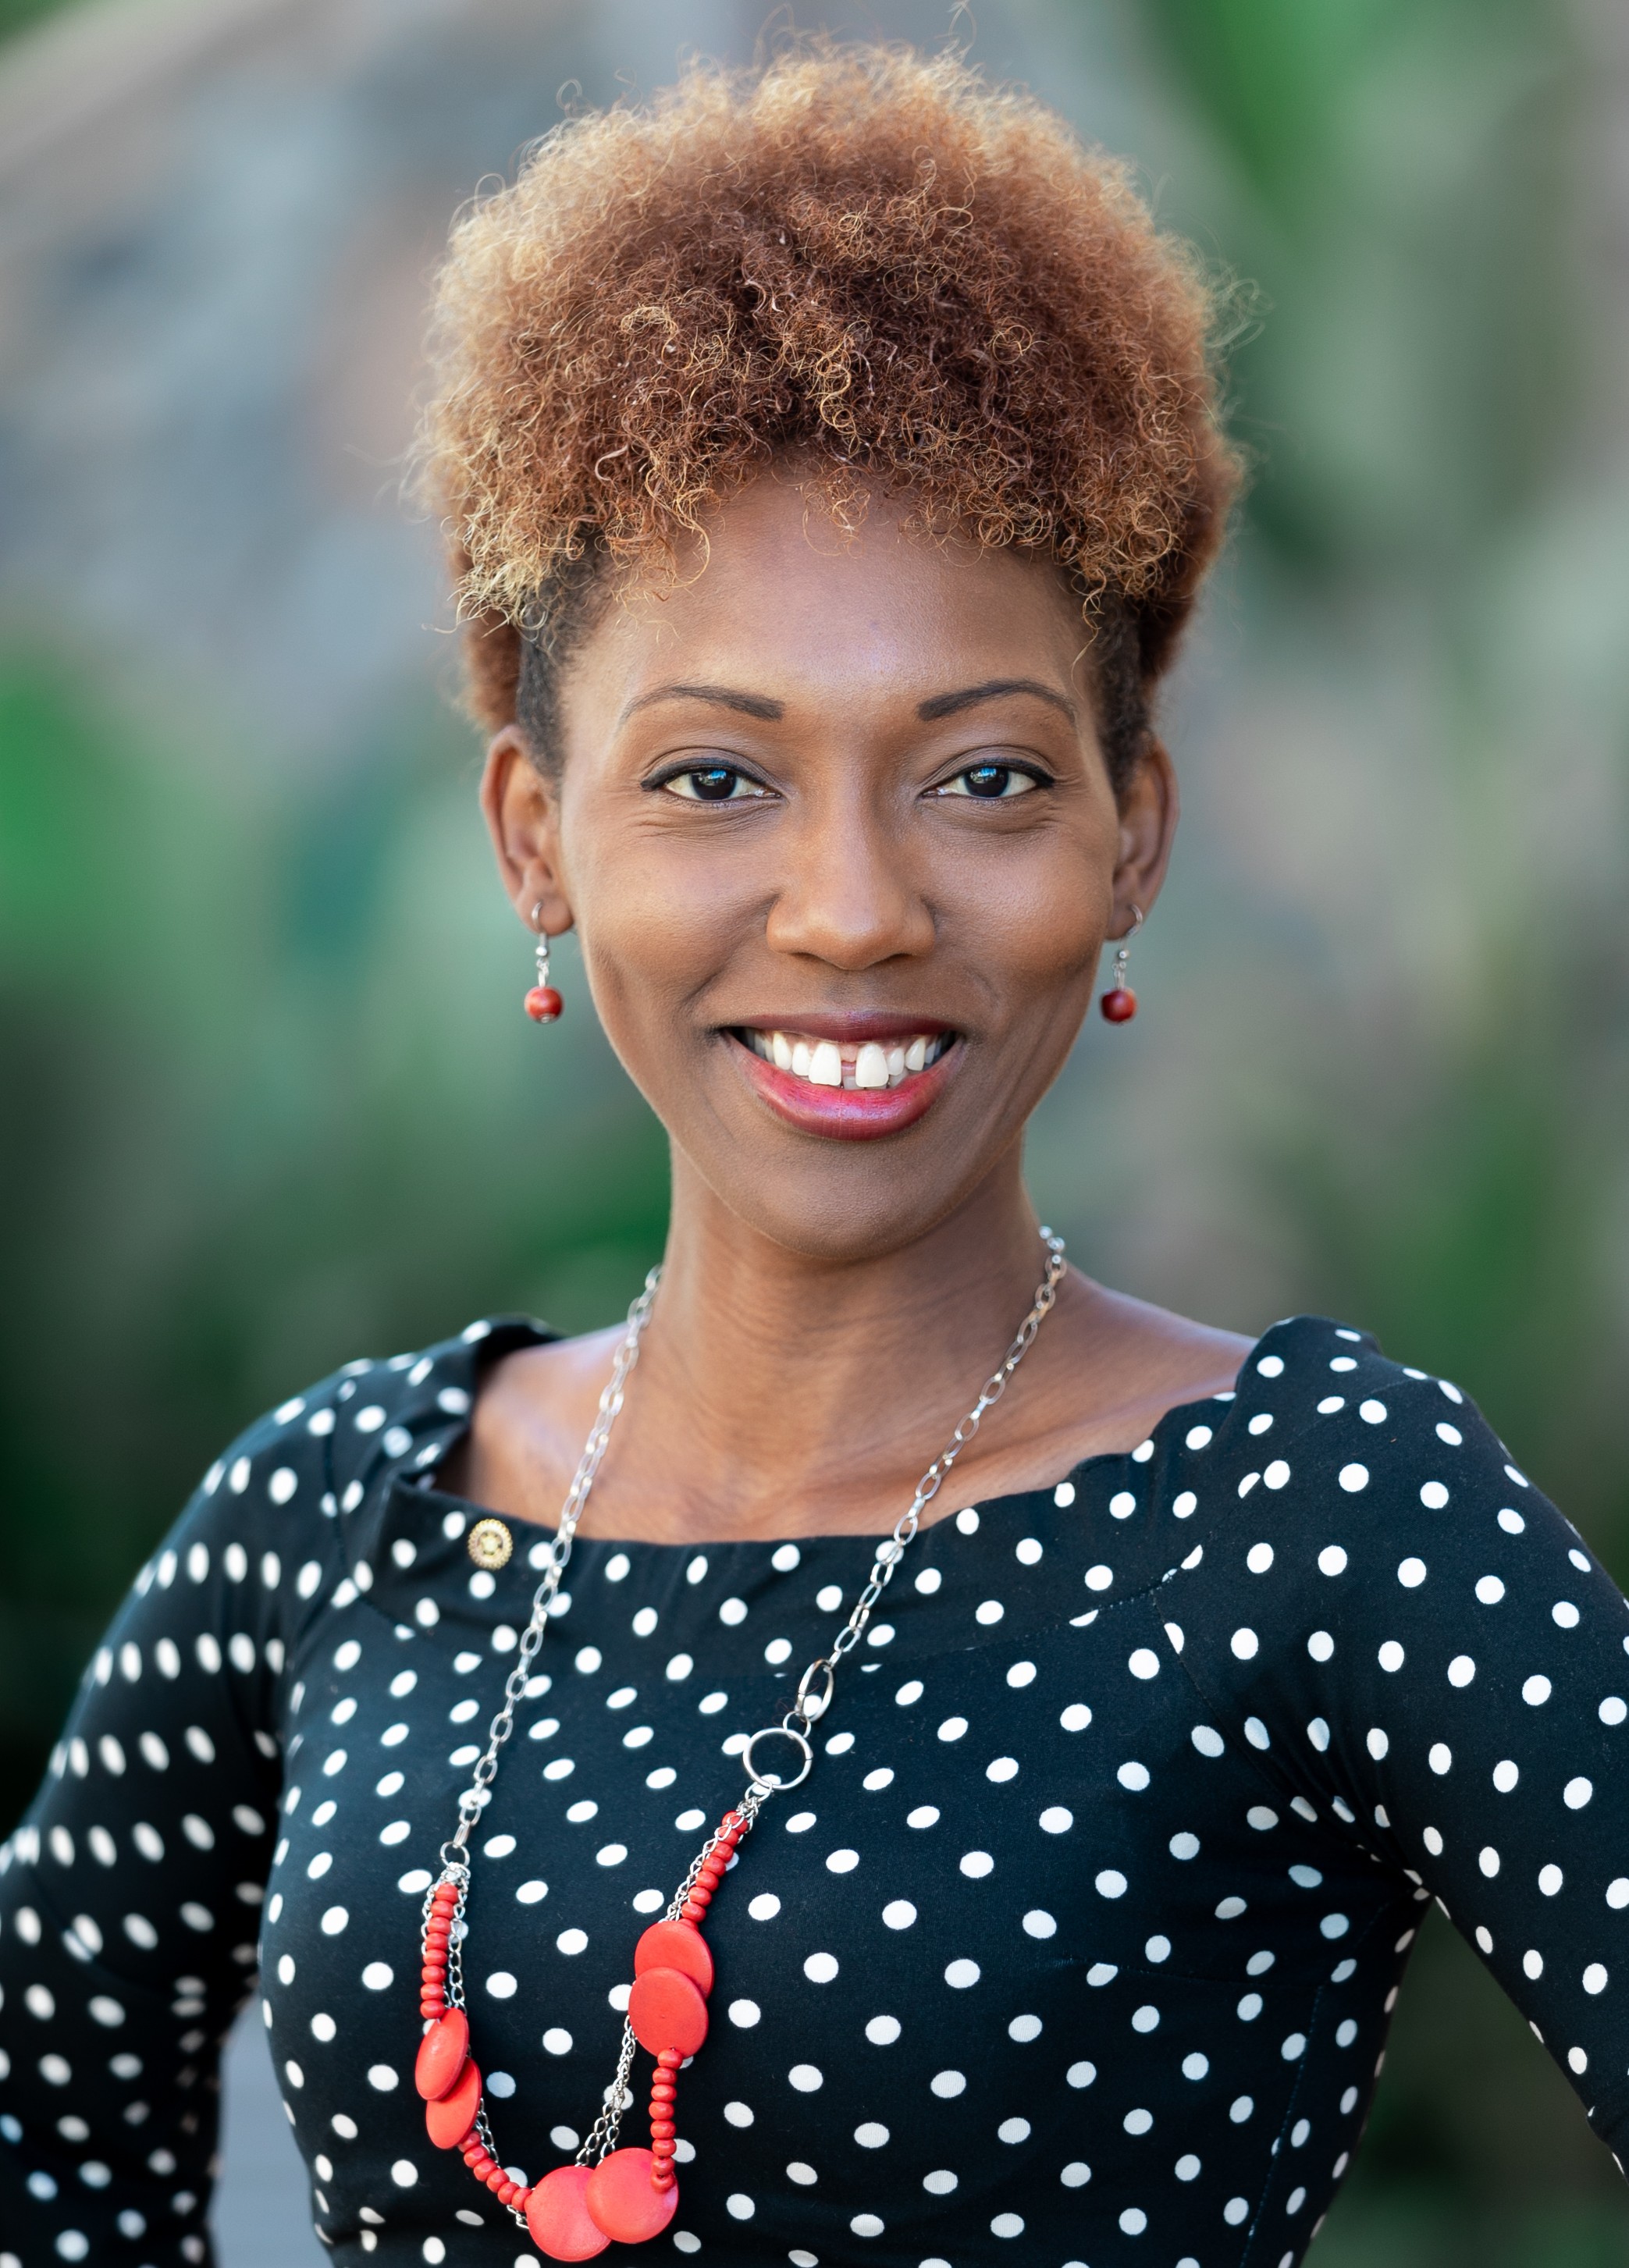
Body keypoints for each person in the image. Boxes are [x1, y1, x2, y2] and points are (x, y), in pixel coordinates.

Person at [2, 43, 1625, 2268]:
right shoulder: (337, 1518)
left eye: (985, 777)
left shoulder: (1319, 1521)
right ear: (535, 837)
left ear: (1131, 838)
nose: (853, 909)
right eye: (713, 779)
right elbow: (48, 2145)